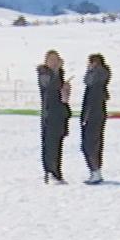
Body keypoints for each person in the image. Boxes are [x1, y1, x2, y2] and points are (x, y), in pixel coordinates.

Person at [37, 50, 71, 184]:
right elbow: (49, 86)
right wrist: (56, 72)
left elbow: (60, 93)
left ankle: (57, 172)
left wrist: (66, 91)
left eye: (56, 59)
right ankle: (50, 171)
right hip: (49, 113)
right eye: (51, 59)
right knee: (50, 143)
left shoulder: (59, 73)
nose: (54, 62)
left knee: (58, 143)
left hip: (60, 113)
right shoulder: (44, 73)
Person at [80, 53, 110, 184]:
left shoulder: (97, 79)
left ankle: (95, 171)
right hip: (93, 114)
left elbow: (93, 101)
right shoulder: (96, 81)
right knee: (90, 144)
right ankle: (95, 171)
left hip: (94, 115)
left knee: (90, 144)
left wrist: (87, 115)